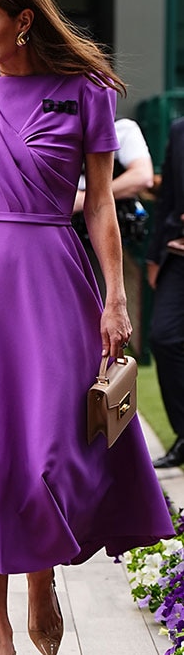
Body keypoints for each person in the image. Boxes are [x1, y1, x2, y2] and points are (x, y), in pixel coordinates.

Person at [0, 0, 175, 655]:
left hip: (55, 282)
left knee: (49, 453)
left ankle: (43, 579)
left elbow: (100, 203)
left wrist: (116, 299)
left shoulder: (84, 92)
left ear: (23, 20)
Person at [73, 118, 153, 292]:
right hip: (61, 238)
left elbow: (142, 175)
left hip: (105, 239)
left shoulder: (121, 128)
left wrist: (87, 199)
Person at [147, 117, 184, 468]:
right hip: (177, 253)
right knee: (163, 337)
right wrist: (154, 256)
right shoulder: (178, 129)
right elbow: (167, 197)